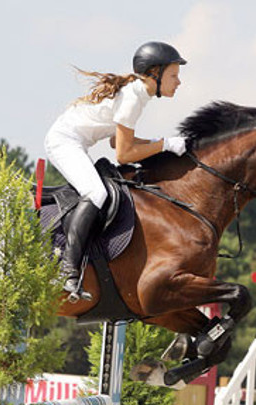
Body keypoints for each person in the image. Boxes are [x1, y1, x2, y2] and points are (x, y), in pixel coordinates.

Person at [45, 41, 188, 297]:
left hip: (74, 142)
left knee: (98, 192)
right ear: (155, 74)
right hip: (63, 142)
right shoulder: (133, 98)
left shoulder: (138, 95)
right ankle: (68, 269)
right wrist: (164, 144)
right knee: (96, 194)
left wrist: (162, 144)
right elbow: (123, 154)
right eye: (174, 75)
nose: (179, 82)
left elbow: (117, 142)